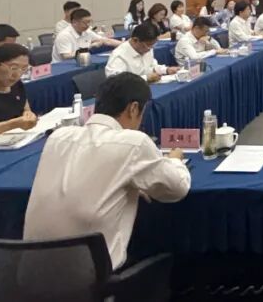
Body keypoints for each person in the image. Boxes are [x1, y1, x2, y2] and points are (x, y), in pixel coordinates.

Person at [23, 73, 191, 269]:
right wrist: (174, 160)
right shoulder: (133, 143)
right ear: (133, 109)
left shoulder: (58, 137)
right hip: (89, 277)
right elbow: (177, 188)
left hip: (29, 274)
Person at [105, 22, 178, 82]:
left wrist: (166, 70)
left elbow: (152, 66)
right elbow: (117, 82)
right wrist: (145, 78)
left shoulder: (147, 48)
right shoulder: (119, 55)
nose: (151, 48)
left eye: (153, 44)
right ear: (135, 40)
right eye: (149, 45)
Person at [52, 8, 121, 61]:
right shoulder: (64, 35)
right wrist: (90, 47)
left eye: (90, 22)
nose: (88, 25)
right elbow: (66, 56)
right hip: (62, 66)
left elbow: (106, 41)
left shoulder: (87, 31)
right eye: (85, 23)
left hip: (81, 61)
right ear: (74, 22)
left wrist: (125, 44)